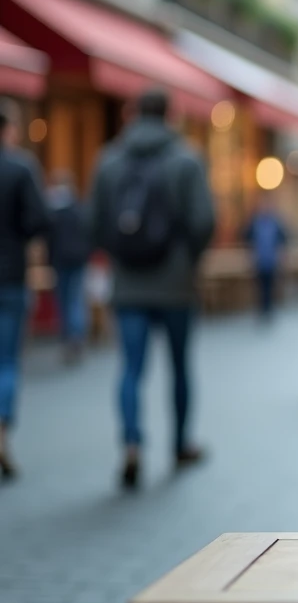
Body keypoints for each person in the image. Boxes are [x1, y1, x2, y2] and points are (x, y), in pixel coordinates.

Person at [89, 88, 215, 490]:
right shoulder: (186, 159)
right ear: (170, 115)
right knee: (179, 367)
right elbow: (203, 220)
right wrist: (187, 260)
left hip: (128, 283)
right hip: (175, 281)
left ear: (132, 112)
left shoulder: (108, 160)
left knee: (130, 368)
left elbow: (93, 224)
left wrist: (121, 253)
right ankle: (179, 445)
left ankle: (131, 445)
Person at [0, 99, 48, 480]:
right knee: (7, 361)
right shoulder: (20, 168)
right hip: (11, 275)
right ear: (10, 130)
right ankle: (1, 434)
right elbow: (37, 220)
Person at [46, 169, 92, 362]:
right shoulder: (78, 207)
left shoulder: (52, 210)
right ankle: (77, 335)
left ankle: (68, 337)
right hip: (78, 259)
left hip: (60, 259)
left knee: (64, 299)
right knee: (76, 298)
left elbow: (48, 237)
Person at [243, 192, 288, 321]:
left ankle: (268, 309)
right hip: (258, 260)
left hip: (272, 260)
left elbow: (284, 239)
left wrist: (282, 255)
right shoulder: (254, 222)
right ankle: (262, 309)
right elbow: (246, 237)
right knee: (260, 287)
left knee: (269, 286)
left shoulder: (276, 222)